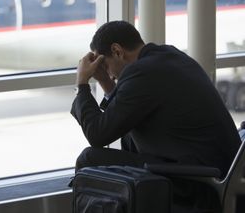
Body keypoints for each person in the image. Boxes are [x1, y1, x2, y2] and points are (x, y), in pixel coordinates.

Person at [71, 20, 241, 212]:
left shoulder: (142, 73)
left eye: (106, 66)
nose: (109, 75)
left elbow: (97, 134)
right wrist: (104, 82)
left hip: (196, 183)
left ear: (117, 51)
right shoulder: (168, 56)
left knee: (89, 159)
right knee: (130, 134)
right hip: (218, 174)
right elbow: (124, 115)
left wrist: (82, 84)